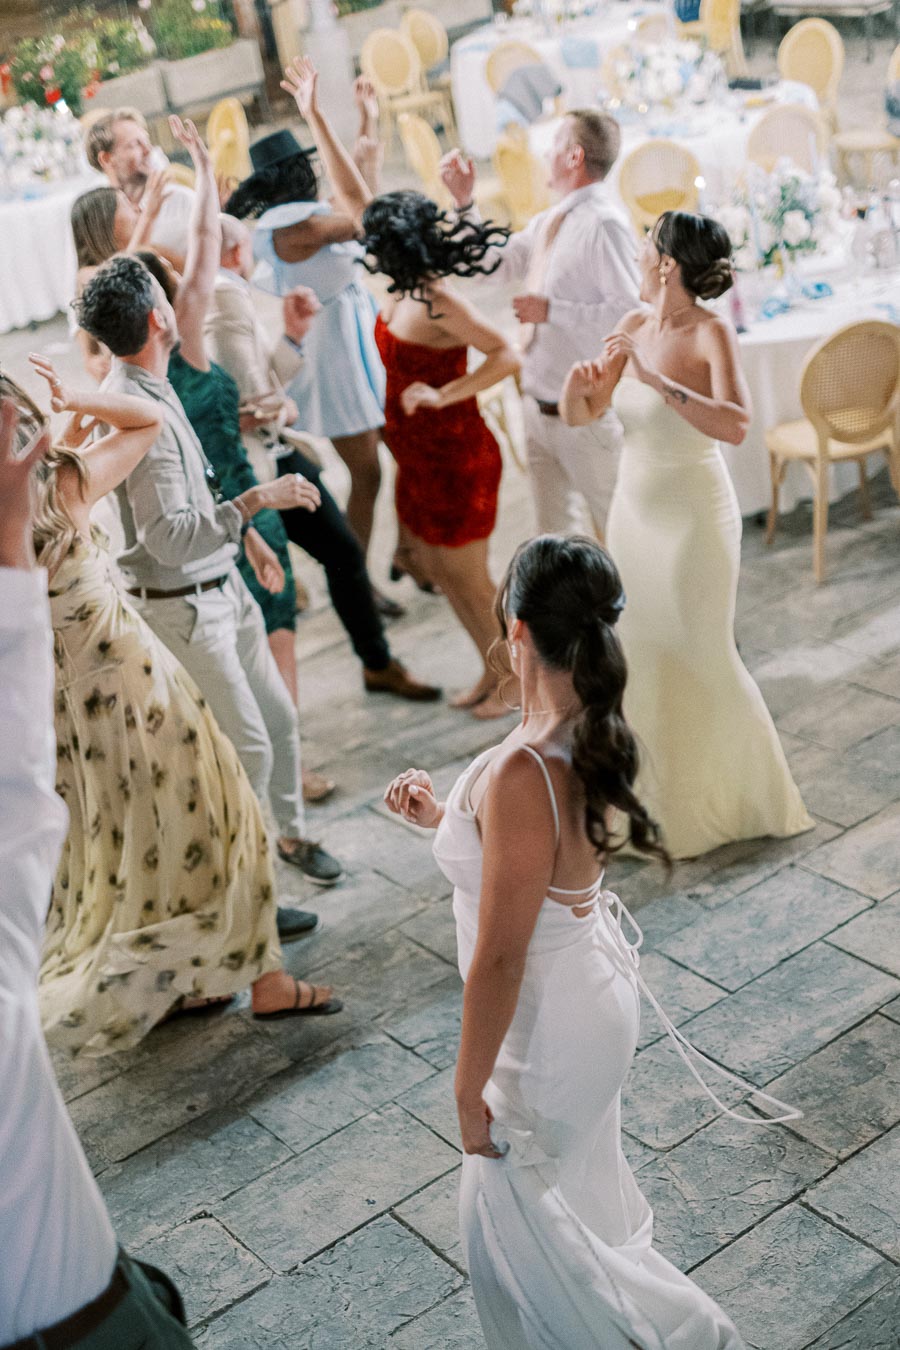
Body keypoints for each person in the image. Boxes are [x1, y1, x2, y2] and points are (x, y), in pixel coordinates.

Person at [385, 534, 799, 1350]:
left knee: (526, 1241)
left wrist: (469, 1092)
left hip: (547, 1020)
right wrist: (445, 820)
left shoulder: (522, 770)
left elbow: (500, 957)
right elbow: (534, 859)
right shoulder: (578, 731)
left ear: (516, 631)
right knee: (573, 1217)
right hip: (587, 992)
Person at [21, 362, 341, 1052]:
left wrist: (63, 429)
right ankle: (267, 984)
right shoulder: (63, 485)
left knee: (128, 845)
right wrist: (75, 399)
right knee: (229, 815)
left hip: (64, 718)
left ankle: (185, 981)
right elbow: (148, 420)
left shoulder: (33, 501)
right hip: (132, 687)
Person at [0, 392, 195, 1348]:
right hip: (85, 1319)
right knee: (143, 841)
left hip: (72, 709)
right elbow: (17, 801)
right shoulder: (65, 482)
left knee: (109, 850)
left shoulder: (67, 482)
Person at [72, 248, 344, 896]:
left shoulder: (151, 382)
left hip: (223, 583)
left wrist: (245, 538)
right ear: (158, 316)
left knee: (278, 723)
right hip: (188, 609)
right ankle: (255, 901)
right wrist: (257, 502)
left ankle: (292, 835)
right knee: (246, 750)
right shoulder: (139, 409)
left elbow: (199, 493)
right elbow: (167, 540)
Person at [560, 211, 813, 858]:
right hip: (634, 514)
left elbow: (734, 425)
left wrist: (656, 381)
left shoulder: (710, 333)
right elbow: (587, 412)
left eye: (647, 245)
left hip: (695, 517)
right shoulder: (630, 326)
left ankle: (741, 798)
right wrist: (574, 393)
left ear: (666, 263)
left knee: (701, 651)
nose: (640, 254)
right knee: (642, 657)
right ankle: (659, 807)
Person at [281, 59, 521, 718]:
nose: (362, 242)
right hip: (416, 456)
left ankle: (515, 680)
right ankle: (491, 668)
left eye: (371, 243)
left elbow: (508, 353)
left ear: (394, 251)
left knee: (472, 582)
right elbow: (356, 197)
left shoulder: (440, 302)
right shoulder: (397, 280)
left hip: (457, 455)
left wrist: (446, 396)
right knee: (442, 574)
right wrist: (317, 116)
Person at [206, 212, 442, 703]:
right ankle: (363, 670)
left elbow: (255, 382)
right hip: (254, 468)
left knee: (342, 555)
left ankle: (377, 663)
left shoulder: (226, 292)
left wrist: (292, 337)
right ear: (236, 252)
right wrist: (279, 410)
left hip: (273, 454)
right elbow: (249, 402)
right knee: (303, 580)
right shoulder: (225, 295)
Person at [440, 110, 640, 540]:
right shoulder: (552, 220)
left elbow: (629, 316)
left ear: (574, 156)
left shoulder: (604, 225)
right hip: (537, 406)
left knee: (617, 532)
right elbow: (491, 266)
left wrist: (552, 311)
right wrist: (464, 204)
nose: (545, 153)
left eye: (554, 144)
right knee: (555, 539)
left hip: (586, 416)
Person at [224, 93, 391, 595]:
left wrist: (365, 120)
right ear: (297, 174)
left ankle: (397, 556)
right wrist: (326, 118)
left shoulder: (306, 217)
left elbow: (359, 201)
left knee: (380, 460)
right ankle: (355, 578)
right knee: (367, 474)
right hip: (333, 357)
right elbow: (365, 217)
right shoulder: (292, 229)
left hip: (353, 341)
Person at [84, 107, 194, 262]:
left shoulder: (181, 199)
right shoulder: (98, 219)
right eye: (135, 144)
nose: (148, 150)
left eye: (146, 140)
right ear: (106, 159)